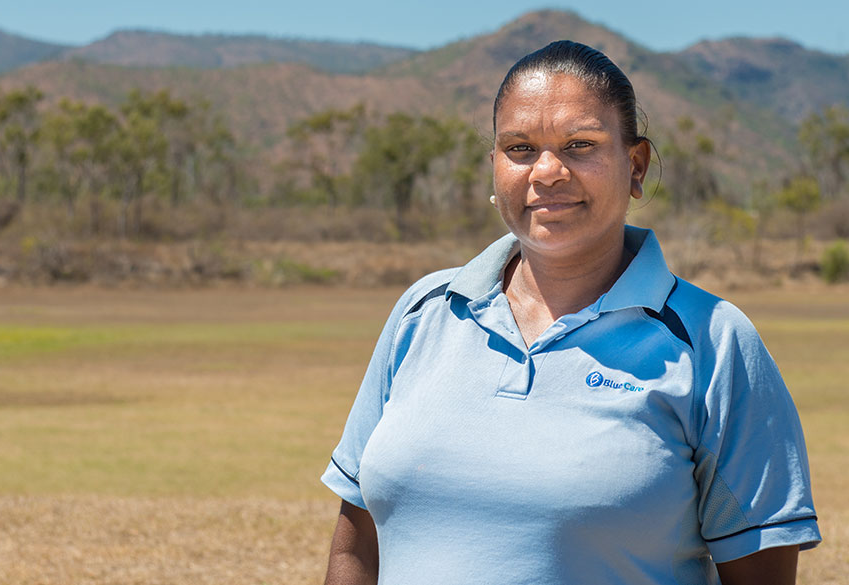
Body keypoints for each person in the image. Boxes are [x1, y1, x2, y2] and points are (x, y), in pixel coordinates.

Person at [320, 40, 821, 585]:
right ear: (494, 166)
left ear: (635, 164)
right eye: (519, 148)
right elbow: (357, 550)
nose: (548, 171)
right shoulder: (424, 313)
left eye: (580, 145)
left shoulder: (713, 342)